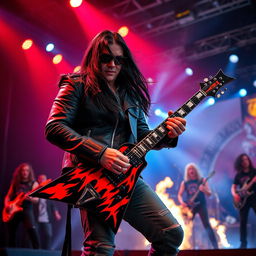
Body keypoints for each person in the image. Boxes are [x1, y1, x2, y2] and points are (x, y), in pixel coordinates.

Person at [44, 30, 187, 256]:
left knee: (170, 234)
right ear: (94, 58)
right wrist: (101, 153)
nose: (112, 64)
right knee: (100, 248)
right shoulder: (76, 84)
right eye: (106, 58)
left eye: (119, 60)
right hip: (90, 177)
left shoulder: (130, 95)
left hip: (127, 178)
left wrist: (169, 134)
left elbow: (143, 136)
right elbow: (54, 128)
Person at [177, 163, 218, 249]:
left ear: (196, 171)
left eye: (193, 169)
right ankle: (184, 247)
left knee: (207, 225)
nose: (191, 171)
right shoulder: (184, 182)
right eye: (189, 169)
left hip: (201, 205)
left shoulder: (202, 180)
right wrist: (182, 202)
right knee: (187, 226)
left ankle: (216, 247)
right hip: (190, 207)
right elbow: (179, 195)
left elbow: (210, 194)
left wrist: (204, 190)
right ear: (187, 172)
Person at [3, 163, 40, 249]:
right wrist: (7, 205)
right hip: (14, 209)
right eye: (23, 170)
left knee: (32, 230)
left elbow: (36, 200)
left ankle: (38, 251)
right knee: (11, 232)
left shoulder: (34, 183)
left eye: (27, 170)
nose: (25, 172)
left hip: (27, 209)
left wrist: (29, 198)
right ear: (20, 172)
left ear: (29, 172)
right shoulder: (16, 182)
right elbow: (8, 196)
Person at [231, 153, 256, 249]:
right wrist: (235, 195)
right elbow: (233, 187)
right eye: (243, 160)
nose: (245, 161)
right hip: (243, 200)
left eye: (246, 159)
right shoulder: (239, 175)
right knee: (242, 222)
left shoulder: (254, 172)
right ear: (240, 163)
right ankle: (243, 244)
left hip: (254, 198)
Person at [36, 174, 62, 250]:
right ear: (38, 180)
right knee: (35, 236)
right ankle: (35, 251)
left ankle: (47, 252)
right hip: (36, 218)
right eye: (41, 179)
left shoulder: (48, 191)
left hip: (46, 219)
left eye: (44, 179)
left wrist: (56, 213)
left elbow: (53, 204)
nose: (43, 180)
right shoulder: (35, 190)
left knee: (48, 235)